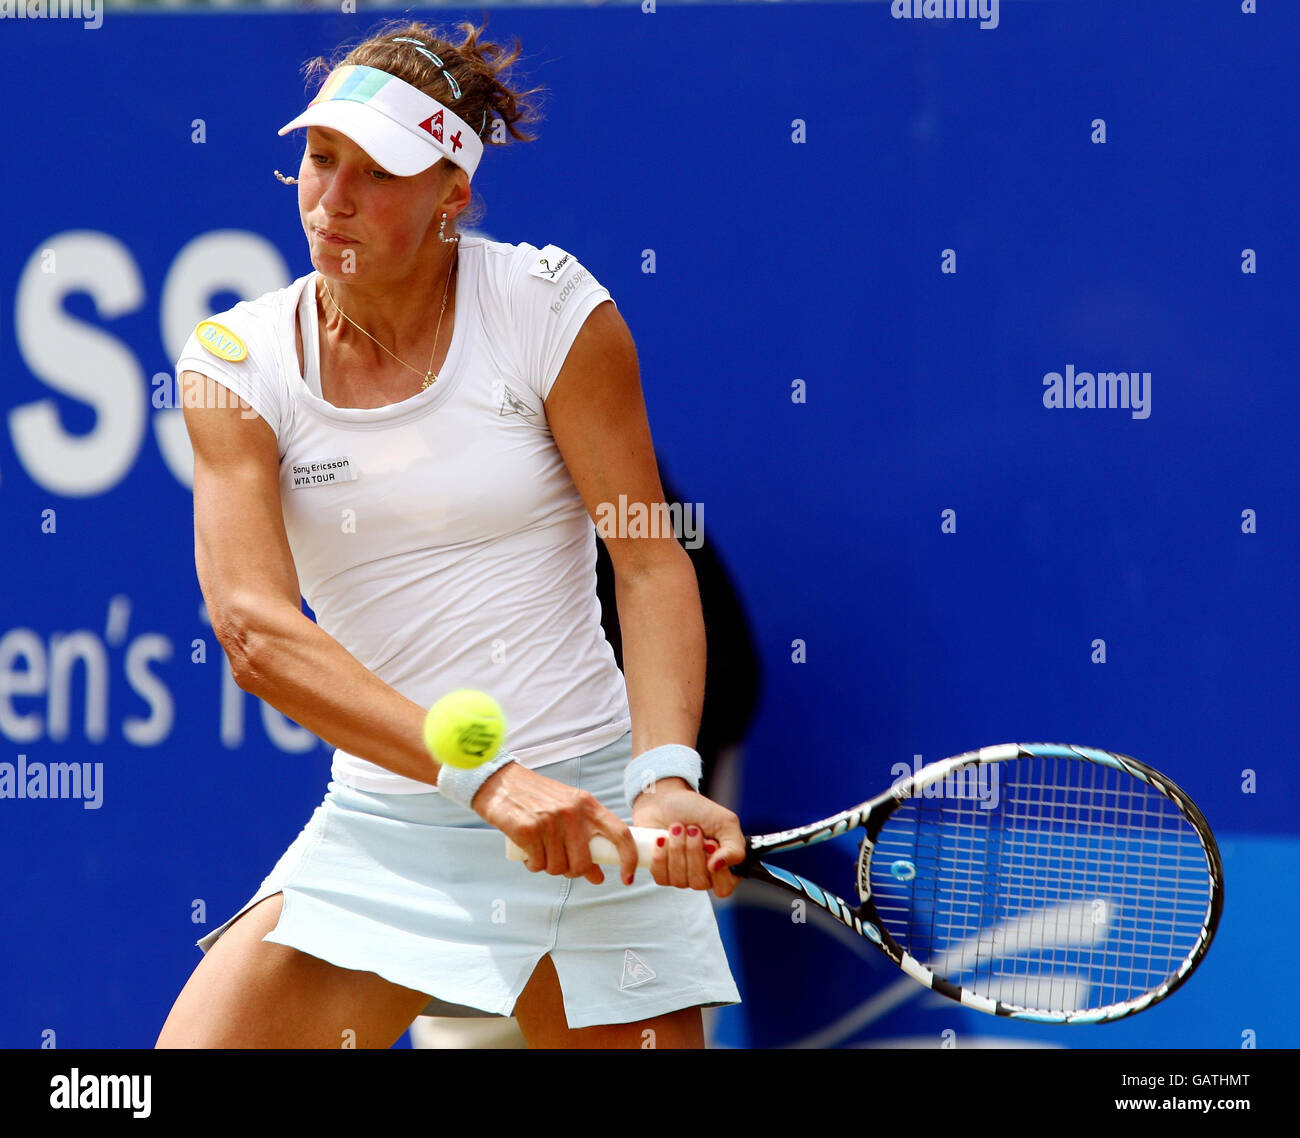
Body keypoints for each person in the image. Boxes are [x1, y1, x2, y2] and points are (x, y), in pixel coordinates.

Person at [156, 18, 744, 1050]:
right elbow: (253, 630)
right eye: (318, 158)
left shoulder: (551, 313)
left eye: (374, 173)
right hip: (392, 824)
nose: (330, 198)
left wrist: (662, 774)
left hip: (590, 809)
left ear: (451, 197)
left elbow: (649, 563)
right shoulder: (232, 361)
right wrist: (489, 783)